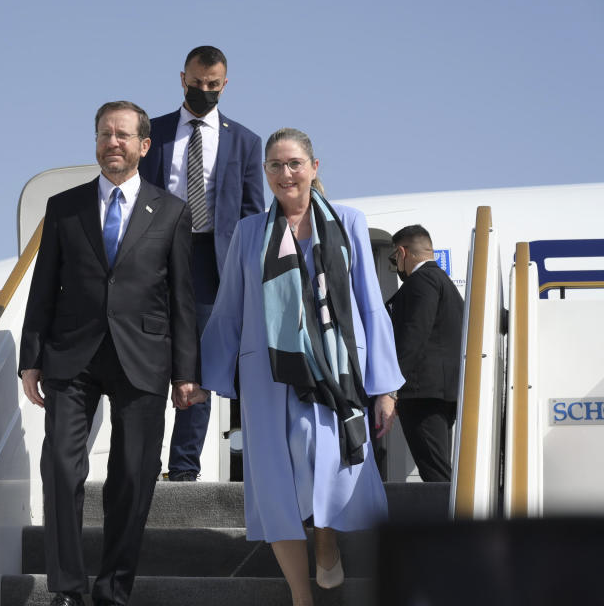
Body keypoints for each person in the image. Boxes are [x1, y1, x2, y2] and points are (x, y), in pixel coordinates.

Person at [190, 128, 403, 606]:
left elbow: (371, 305)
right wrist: (203, 375)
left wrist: (385, 387)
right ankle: (300, 596)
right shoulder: (249, 232)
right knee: (274, 484)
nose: (285, 174)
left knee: (327, 464)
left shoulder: (348, 221)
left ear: (313, 167)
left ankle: (325, 542)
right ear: (265, 173)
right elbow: (229, 308)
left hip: (335, 372)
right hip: (269, 374)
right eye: (275, 166)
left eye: (294, 164)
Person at [19, 101, 200, 606]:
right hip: (71, 356)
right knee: (59, 465)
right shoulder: (64, 207)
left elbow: (182, 297)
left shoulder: (171, 211)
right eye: (103, 134)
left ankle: (113, 589)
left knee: (133, 474)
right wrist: (30, 358)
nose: (111, 142)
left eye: (122, 135)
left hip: (142, 356)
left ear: (144, 146)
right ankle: (68, 589)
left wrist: (187, 371)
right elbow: (42, 288)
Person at [138, 45, 264, 482]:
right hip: (156, 257)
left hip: (214, 264)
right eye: (197, 84)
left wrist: (249, 273)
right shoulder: (151, 132)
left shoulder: (245, 141)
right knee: (149, 360)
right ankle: (144, 462)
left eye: (213, 86)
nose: (205, 91)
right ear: (182, 79)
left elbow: (252, 213)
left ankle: (184, 468)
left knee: (201, 366)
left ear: (224, 85)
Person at [387, 225, 463, 482]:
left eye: (393, 260)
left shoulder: (421, 281)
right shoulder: (443, 281)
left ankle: (449, 520)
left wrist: (391, 387)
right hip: (440, 392)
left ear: (402, 252)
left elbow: (413, 336)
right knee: (437, 465)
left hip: (423, 394)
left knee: (435, 471)